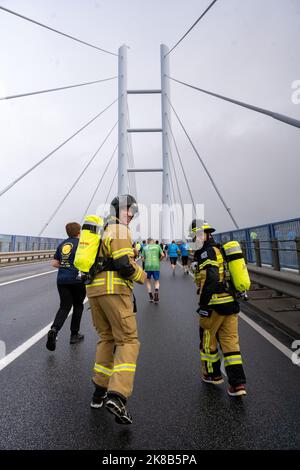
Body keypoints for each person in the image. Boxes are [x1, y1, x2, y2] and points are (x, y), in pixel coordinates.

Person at [86, 194, 146, 424]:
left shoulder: (101, 230)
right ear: (120, 209)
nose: (131, 215)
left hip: (94, 291)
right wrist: (143, 276)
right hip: (114, 290)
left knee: (107, 338)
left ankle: (98, 393)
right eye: (130, 210)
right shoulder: (119, 230)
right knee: (128, 340)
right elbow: (123, 264)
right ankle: (118, 396)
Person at [191, 219, 247, 397]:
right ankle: (238, 385)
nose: (195, 239)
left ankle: (212, 374)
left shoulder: (208, 252)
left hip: (214, 304)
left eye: (196, 236)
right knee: (231, 343)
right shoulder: (220, 249)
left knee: (208, 339)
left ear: (202, 235)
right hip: (230, 303)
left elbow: (211, 279)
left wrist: (204, 305)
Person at [46, 222, 86, 351]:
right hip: (77, 279)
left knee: (64, 307)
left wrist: (66, 265)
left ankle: (54, 329)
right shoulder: (82, 244)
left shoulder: (62, 244)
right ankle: (74, 335)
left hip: (62, 279)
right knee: (78, 306)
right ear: (79, 232)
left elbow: (54, 263)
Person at [142, 238, 164, 302]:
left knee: (148, 281)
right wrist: (159, 260)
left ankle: (150, 296)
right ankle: (156, 291)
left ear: (147, 242)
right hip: (156, 265)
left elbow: (143, 259)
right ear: (153, 241)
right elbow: (163, 255)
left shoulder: (145, 247)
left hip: (147, 266)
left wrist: (146, 261)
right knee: (156, 280)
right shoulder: (158, 246)